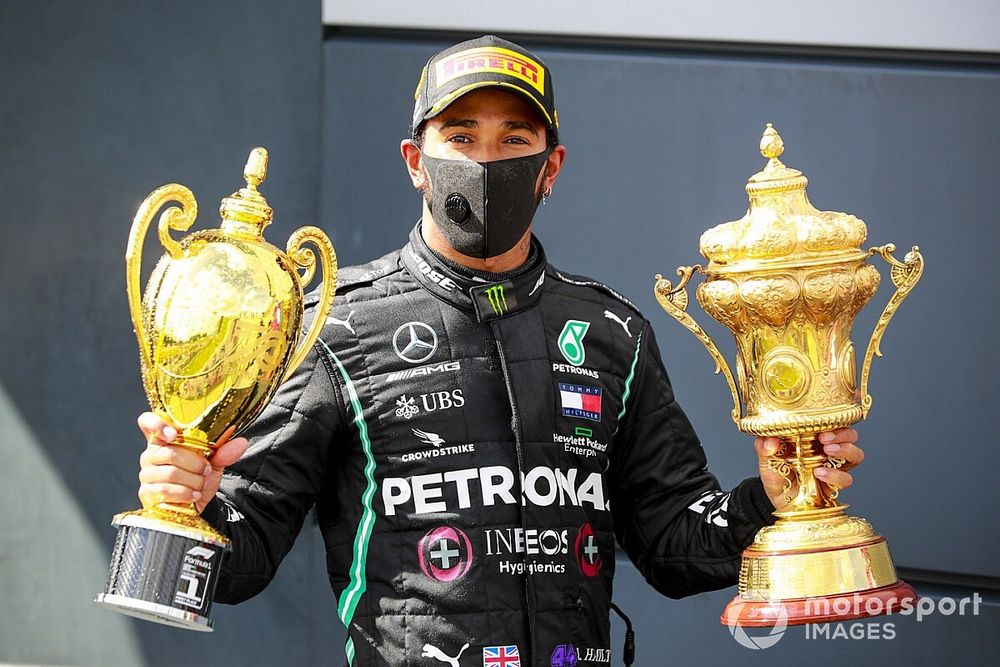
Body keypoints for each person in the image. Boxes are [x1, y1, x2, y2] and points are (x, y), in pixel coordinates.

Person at [135, 35, 864, 666]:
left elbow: (676, 543)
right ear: (415, 160)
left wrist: (774, 495)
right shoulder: (336, 326)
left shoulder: (613, 331)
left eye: (515, 140)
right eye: (460, 136)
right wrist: (191, 507)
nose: (487, 160)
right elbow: (246, 551)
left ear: (553, 166)